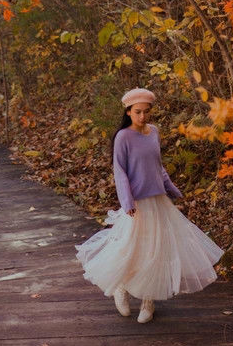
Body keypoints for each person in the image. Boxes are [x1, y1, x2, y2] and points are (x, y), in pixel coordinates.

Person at [75, 87, 224, 323]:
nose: (142, 116)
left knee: (156, 251)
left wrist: (171, 188)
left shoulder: (154, 132)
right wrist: (127, 201)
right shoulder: (123, 137)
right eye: (137, 112)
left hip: (158, 201)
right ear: (128, 111)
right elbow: (120, 171)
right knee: (131, 247)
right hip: (136, 204)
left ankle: (148, 300)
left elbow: (158, 166)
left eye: (146, 112)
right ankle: (121, 288)